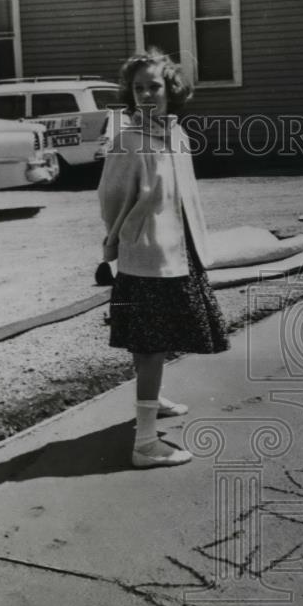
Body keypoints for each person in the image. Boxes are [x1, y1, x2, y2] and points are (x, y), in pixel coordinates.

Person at [99, 50, 229, 468]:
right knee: (151, 345)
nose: (145, 95)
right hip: (148, 255)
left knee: (159, 337)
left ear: (171, 90)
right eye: (138, 89)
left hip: (179, 251)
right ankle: (145, 444)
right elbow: (112, 200)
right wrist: (123, 242)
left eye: (153, 86)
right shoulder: (128, 141)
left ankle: (150, 401)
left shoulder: (177, 136)